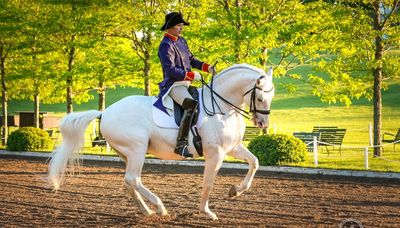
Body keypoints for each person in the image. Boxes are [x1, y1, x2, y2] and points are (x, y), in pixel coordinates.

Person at [154, 12, 216, 158]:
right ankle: (180, 145)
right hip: (174, 85)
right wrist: (191, 75)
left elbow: (191, 60)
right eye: (179, 25)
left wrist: (207, 67)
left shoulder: (181, 41)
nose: (181, 28)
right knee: (191, 104)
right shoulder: (165, 45)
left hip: (186, 84)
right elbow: (170, 69)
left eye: (182, 25)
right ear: (170, 27)